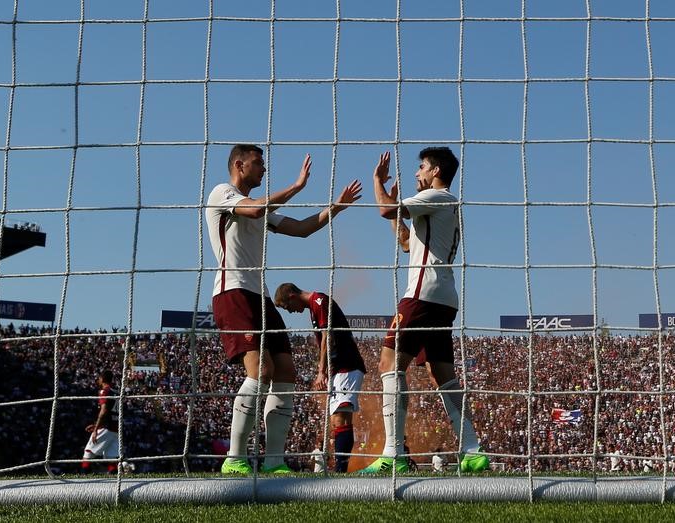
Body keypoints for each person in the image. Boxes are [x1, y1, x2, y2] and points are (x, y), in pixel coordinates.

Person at [206, 144, 362, 474]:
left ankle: (274, 460)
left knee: (286, 373)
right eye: (258, 164)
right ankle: (235, 458)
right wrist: (295, 187)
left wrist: (337, 207)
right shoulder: (223, 193)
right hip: (232, 292)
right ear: (239, 164)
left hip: (259, 296)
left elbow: (302, 229)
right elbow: (253, 210)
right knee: (260, 372)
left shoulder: (261, 209)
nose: (263, 169)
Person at [359, 147, 489, 474]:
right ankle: (472, 449)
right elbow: (406, 243)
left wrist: (377, 183)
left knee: (389, 362)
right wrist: (394, 207)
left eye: (421, 167)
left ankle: (393, 454)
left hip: (422, 293)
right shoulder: (439, 205)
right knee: (441, 373)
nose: (417, 173)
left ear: (435, 171)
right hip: (443, 297)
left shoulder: (438, 196)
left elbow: (386, 211)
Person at [274, 283, 366, 472]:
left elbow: (327, 336)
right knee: (337, 421)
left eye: (286, 307)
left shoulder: (319, 301)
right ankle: (341, 469)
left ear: (291, 295)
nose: (290, 312)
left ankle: (341, 470)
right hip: (338, 369)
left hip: (345, 366)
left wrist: (321, 370)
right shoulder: (314, 307)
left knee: (341, 418)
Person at [81, 370, 119, 474]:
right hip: (116, 428)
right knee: (111, 457)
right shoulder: (116, 392)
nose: (98, 380)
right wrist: (96, 425)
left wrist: (96, 429)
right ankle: (114, 481)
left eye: (99, 378)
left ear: (102, 379)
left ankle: (83, 477)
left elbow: (104, 411)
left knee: (88, 452)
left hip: (107, 427)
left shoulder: (104, 391)